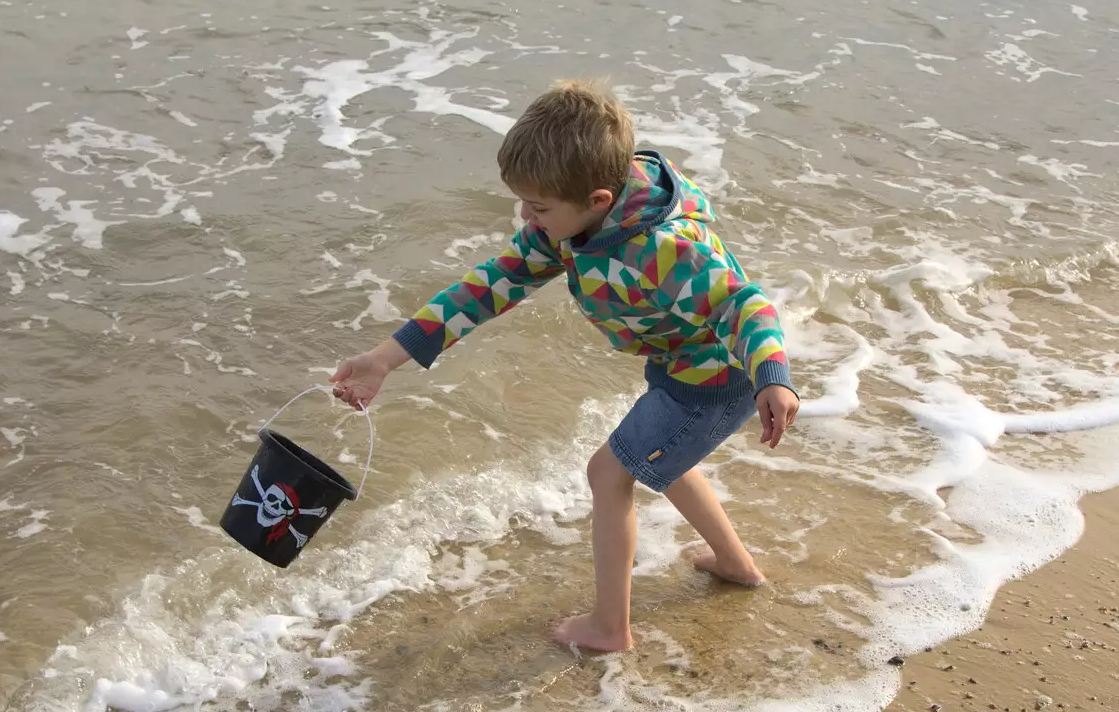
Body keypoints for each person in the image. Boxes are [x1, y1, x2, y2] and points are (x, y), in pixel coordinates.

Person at [330, 79, 799, 652]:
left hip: (721, 379)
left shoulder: (666, 248)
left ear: (599, 200)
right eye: (524, 202)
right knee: (667, 460)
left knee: (609, 473)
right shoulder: (576, 222)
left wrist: (772, 377)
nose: (526, 217)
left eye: (540, 207)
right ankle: (735, 564)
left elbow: (743, 303)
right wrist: (384, 359)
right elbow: (488, 287)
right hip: (682, 364)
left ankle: (610, 628)